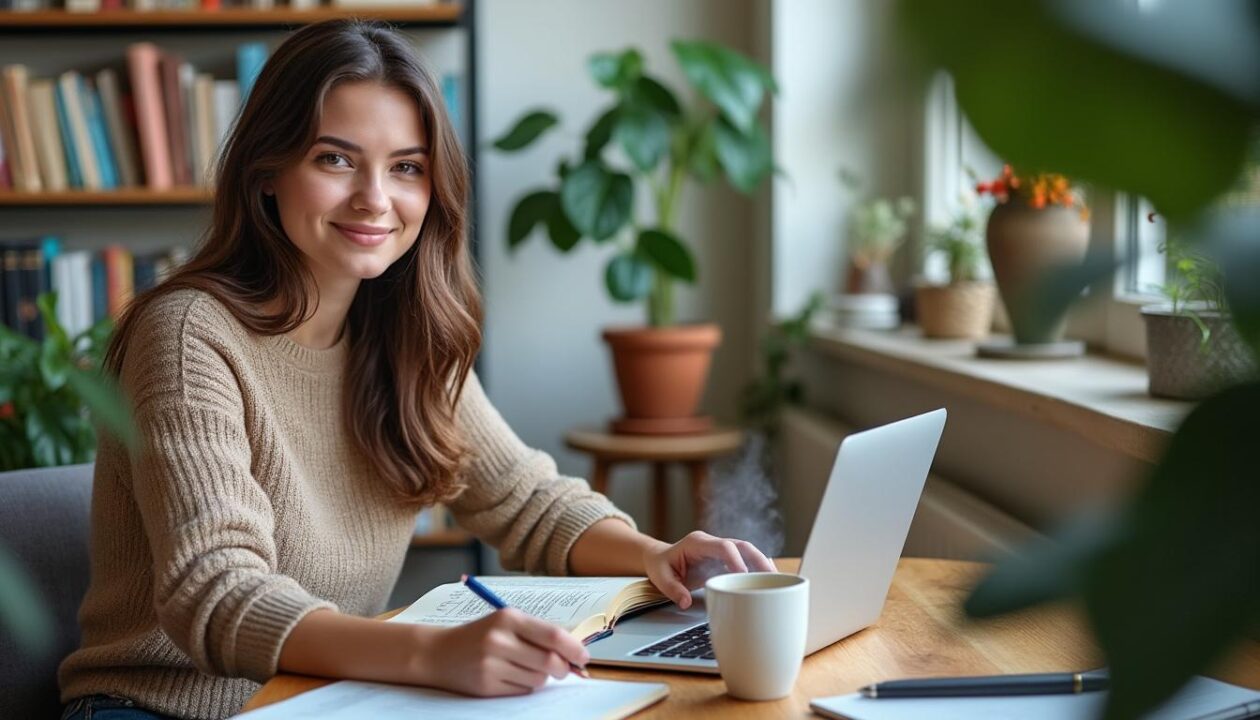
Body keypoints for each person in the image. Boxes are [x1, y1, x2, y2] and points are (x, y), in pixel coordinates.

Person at [57, 19, 774, 720]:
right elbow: (215, 593)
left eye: (406, 167)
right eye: (335, 159)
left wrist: (656, 556)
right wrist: (433, 655)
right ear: (266, 171)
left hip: (320, 700)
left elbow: (526, 500)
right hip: (156, 707)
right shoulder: (189, 336)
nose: (375, 198)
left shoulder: (403, 333)